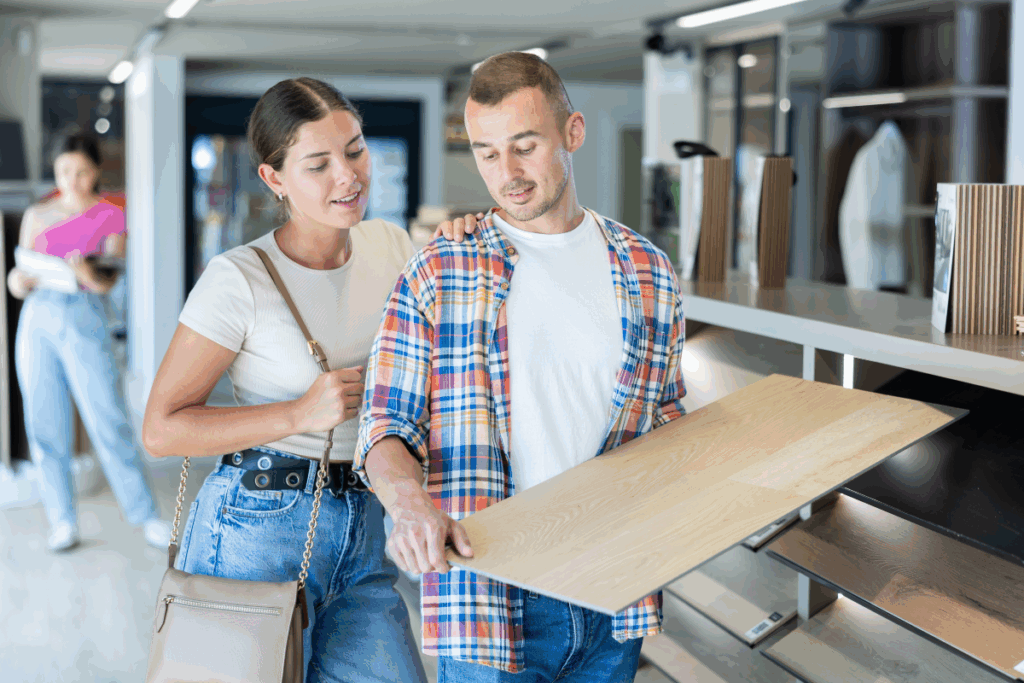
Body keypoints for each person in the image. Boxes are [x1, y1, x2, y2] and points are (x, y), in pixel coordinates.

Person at [355, 52, 688, 682]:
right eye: (486, 152)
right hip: (488, 600)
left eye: (525, 146)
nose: (506, 172)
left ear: (573, 133)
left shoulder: (648, 272)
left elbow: (665, 416)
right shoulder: (442, 270)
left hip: (614, 596)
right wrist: (407, 502)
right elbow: (384, 425)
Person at [142, 77, 471, 682]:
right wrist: (296, 414)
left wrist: (456, 245)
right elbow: (161, 430)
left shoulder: (391, 245)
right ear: (275, 179)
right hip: (257, 526)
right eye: (318, 164)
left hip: (365, 522)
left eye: (355, 150)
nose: (348, 176)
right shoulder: (237, 278)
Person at [7, 134, 172, 553]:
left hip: (85, 316)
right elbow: (16, 280)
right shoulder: (37, 214)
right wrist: (20, 281)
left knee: (108, 418)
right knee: (44, 423)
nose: (72, 180)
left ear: (95, 171)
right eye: (64, 171)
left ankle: (145, 515)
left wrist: (84, 274)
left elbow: (109, 282)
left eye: (80, 172)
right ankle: (61, 520)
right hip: (37, 319)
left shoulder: (110, 216)